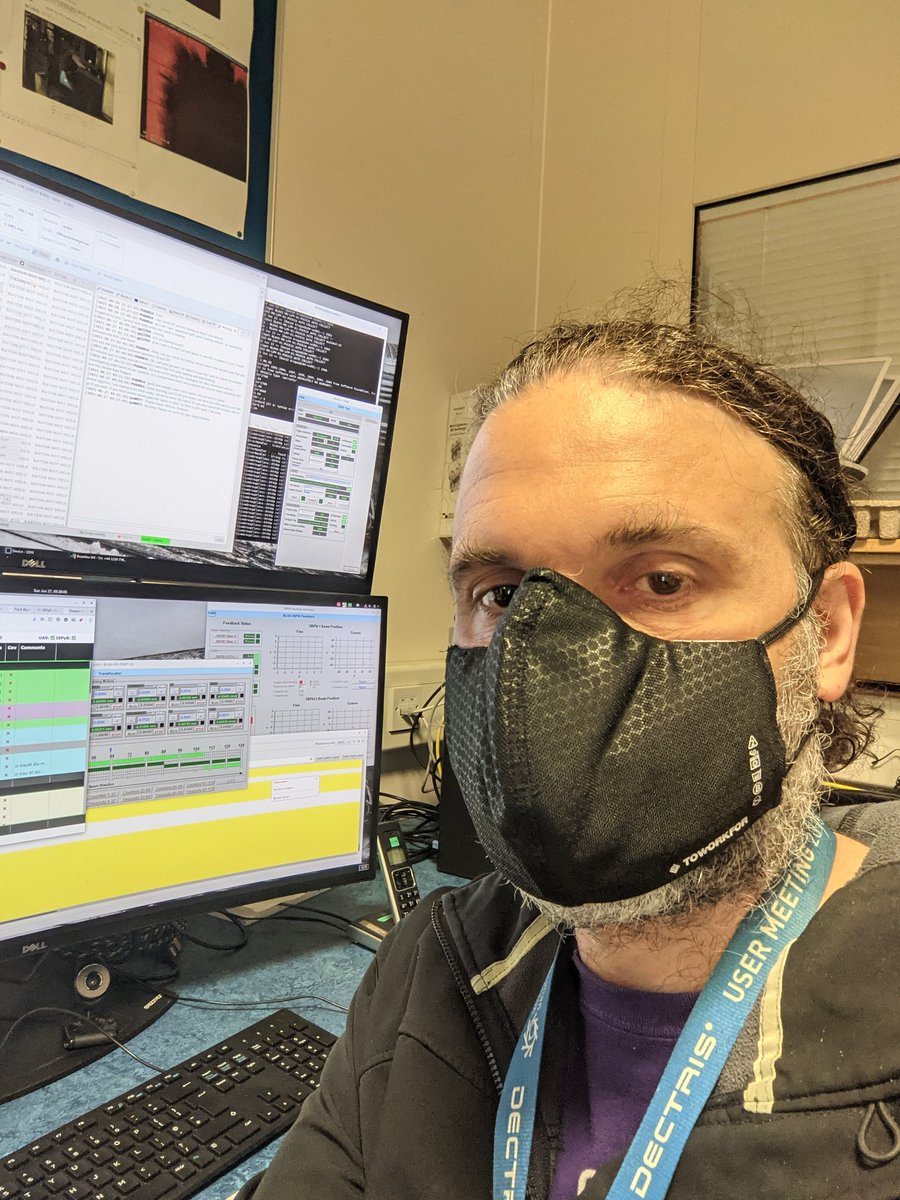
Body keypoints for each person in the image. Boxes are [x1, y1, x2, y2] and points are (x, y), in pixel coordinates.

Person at [235, 316, 900, 1199]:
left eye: (663, 580)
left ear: (828, 630)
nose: (552, 664)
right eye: (503, 594)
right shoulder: (428, 973)